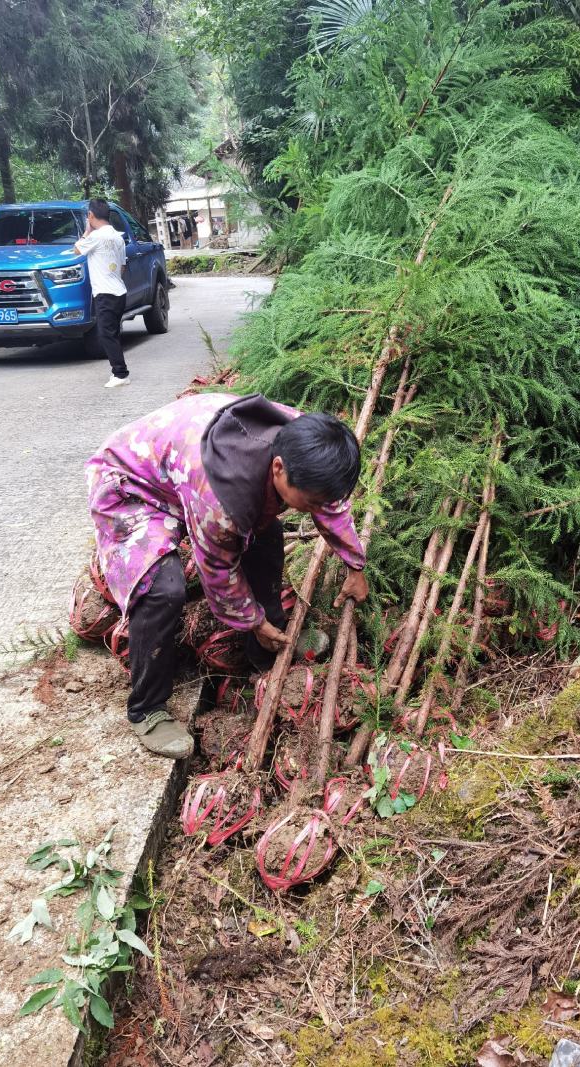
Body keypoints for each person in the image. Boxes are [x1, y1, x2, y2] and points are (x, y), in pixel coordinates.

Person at [86, 392, 369, 759]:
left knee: (266, 539)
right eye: (311, 503)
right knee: (162, 588)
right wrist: (252, 620)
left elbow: (330, 502)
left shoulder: (308, 441)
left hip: (181, 464)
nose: (318, 509)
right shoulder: (221, 503)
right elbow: (218, 571)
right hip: (131, 483)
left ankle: (267, 649)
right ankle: (147, 708)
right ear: (279, 469)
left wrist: (354, 564)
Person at [74, 198, 129, 389]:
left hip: (105, 293)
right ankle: (119, 371)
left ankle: (120, 373)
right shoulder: (118, 237)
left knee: (107, 334)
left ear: (90, 215)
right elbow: (122, 266)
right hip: (119, 291)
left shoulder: (95, 237)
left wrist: (87, 230)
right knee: (112, 333)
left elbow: (76, 250)